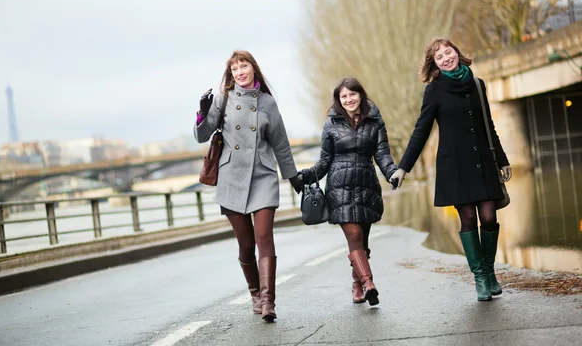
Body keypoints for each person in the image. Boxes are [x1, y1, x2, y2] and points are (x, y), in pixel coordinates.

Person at [390, 38, 512, 301]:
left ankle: (489, 272)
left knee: (489, 217)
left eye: (449, 52)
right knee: (468, 219)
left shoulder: (478, 85)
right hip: (455, 166)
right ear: (434, 64)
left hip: (482, 162)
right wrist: (403, 167)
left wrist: (502, 160)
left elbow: (488, 126)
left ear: (457, 52)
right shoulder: (434, 91)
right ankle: (480, 278)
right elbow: (421, 131)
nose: (446, 58)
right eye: (440, 57)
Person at [193, 50, 302, 322]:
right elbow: (202, 135)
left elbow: (280, 142)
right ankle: (255, 292)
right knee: (246, 243)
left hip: (263, 175)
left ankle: (268, 302)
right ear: (230, 74)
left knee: (264, 236)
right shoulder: (223, 99)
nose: (240, 72)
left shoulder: (267, 103)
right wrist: (202, 113)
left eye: (244, 66)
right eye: (234, 69)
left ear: (253, 68)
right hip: (231, 178)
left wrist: (292, 176)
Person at [298, 77, 398, 306]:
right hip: (339, 188)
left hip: (366, 186)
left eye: (352, 94)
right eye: (344, 96)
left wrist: (392, 173)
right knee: (354, 235)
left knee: (362, 239)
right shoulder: (331, 124)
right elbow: (323, 162)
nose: (348, 99)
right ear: (339, 100)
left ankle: (357, 284)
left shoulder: (375, 122)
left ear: (360, 95)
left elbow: (382, 155)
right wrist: (304, 176)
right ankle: (369, 283)